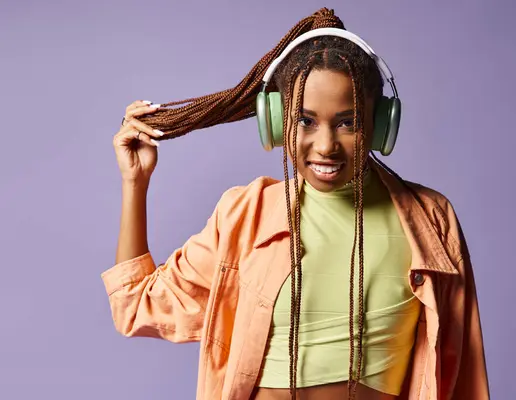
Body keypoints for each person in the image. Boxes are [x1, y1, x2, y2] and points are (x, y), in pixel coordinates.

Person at [103, 8, 489, 400]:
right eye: (305, 121)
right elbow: (138, 305)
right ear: (274, 120)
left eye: (348, 122)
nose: (325, 146)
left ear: (381, 123)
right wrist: (135, 181)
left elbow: (465, 377)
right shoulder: (245, 215)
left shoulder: (430, 219)